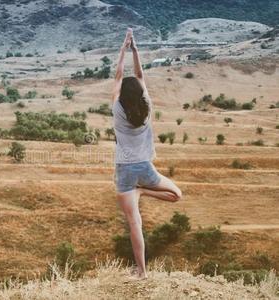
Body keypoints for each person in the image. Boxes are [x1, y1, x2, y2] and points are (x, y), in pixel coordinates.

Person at [112, 28, 182, 279]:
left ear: (121, 96)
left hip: (124, 173)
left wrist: (123, 49)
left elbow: (119, 76)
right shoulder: (147, 108)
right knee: (176, 195)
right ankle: (144, 191)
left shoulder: (117, 110)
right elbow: (138, 75)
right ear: (140, 94)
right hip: (145, 170)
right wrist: (136, 51)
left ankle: (141, 272)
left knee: (134, 224)